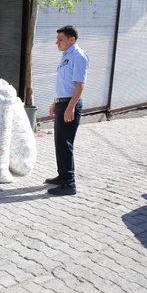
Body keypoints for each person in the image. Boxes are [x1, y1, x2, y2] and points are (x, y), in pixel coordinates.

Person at [45, 25, 89, 196]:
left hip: (70, 105)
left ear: (72, 40)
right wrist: (56, 103)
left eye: (60, 40)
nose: (57, 43)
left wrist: (70, 106)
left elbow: (80, 84)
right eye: (57, 40)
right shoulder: (66, 56)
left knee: (66, 144)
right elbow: (64, 84)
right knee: (59, 142)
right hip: (63, 103)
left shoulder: (78, 56)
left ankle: (69, 184)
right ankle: (62, 177)